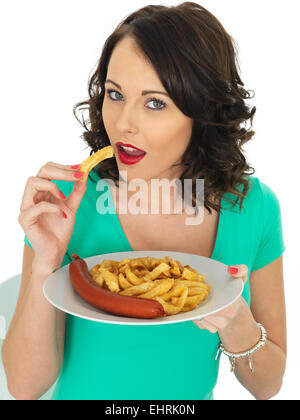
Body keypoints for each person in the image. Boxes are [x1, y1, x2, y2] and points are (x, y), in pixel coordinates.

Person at [2, 2, 286, 400]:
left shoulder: (253, 208)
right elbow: (23, 387)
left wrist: (236, 321)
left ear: (201, 111)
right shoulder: (67, 202)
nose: (122, 123)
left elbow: (269, 384)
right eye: (115, 94)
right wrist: (44, 265)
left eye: (155, 102)